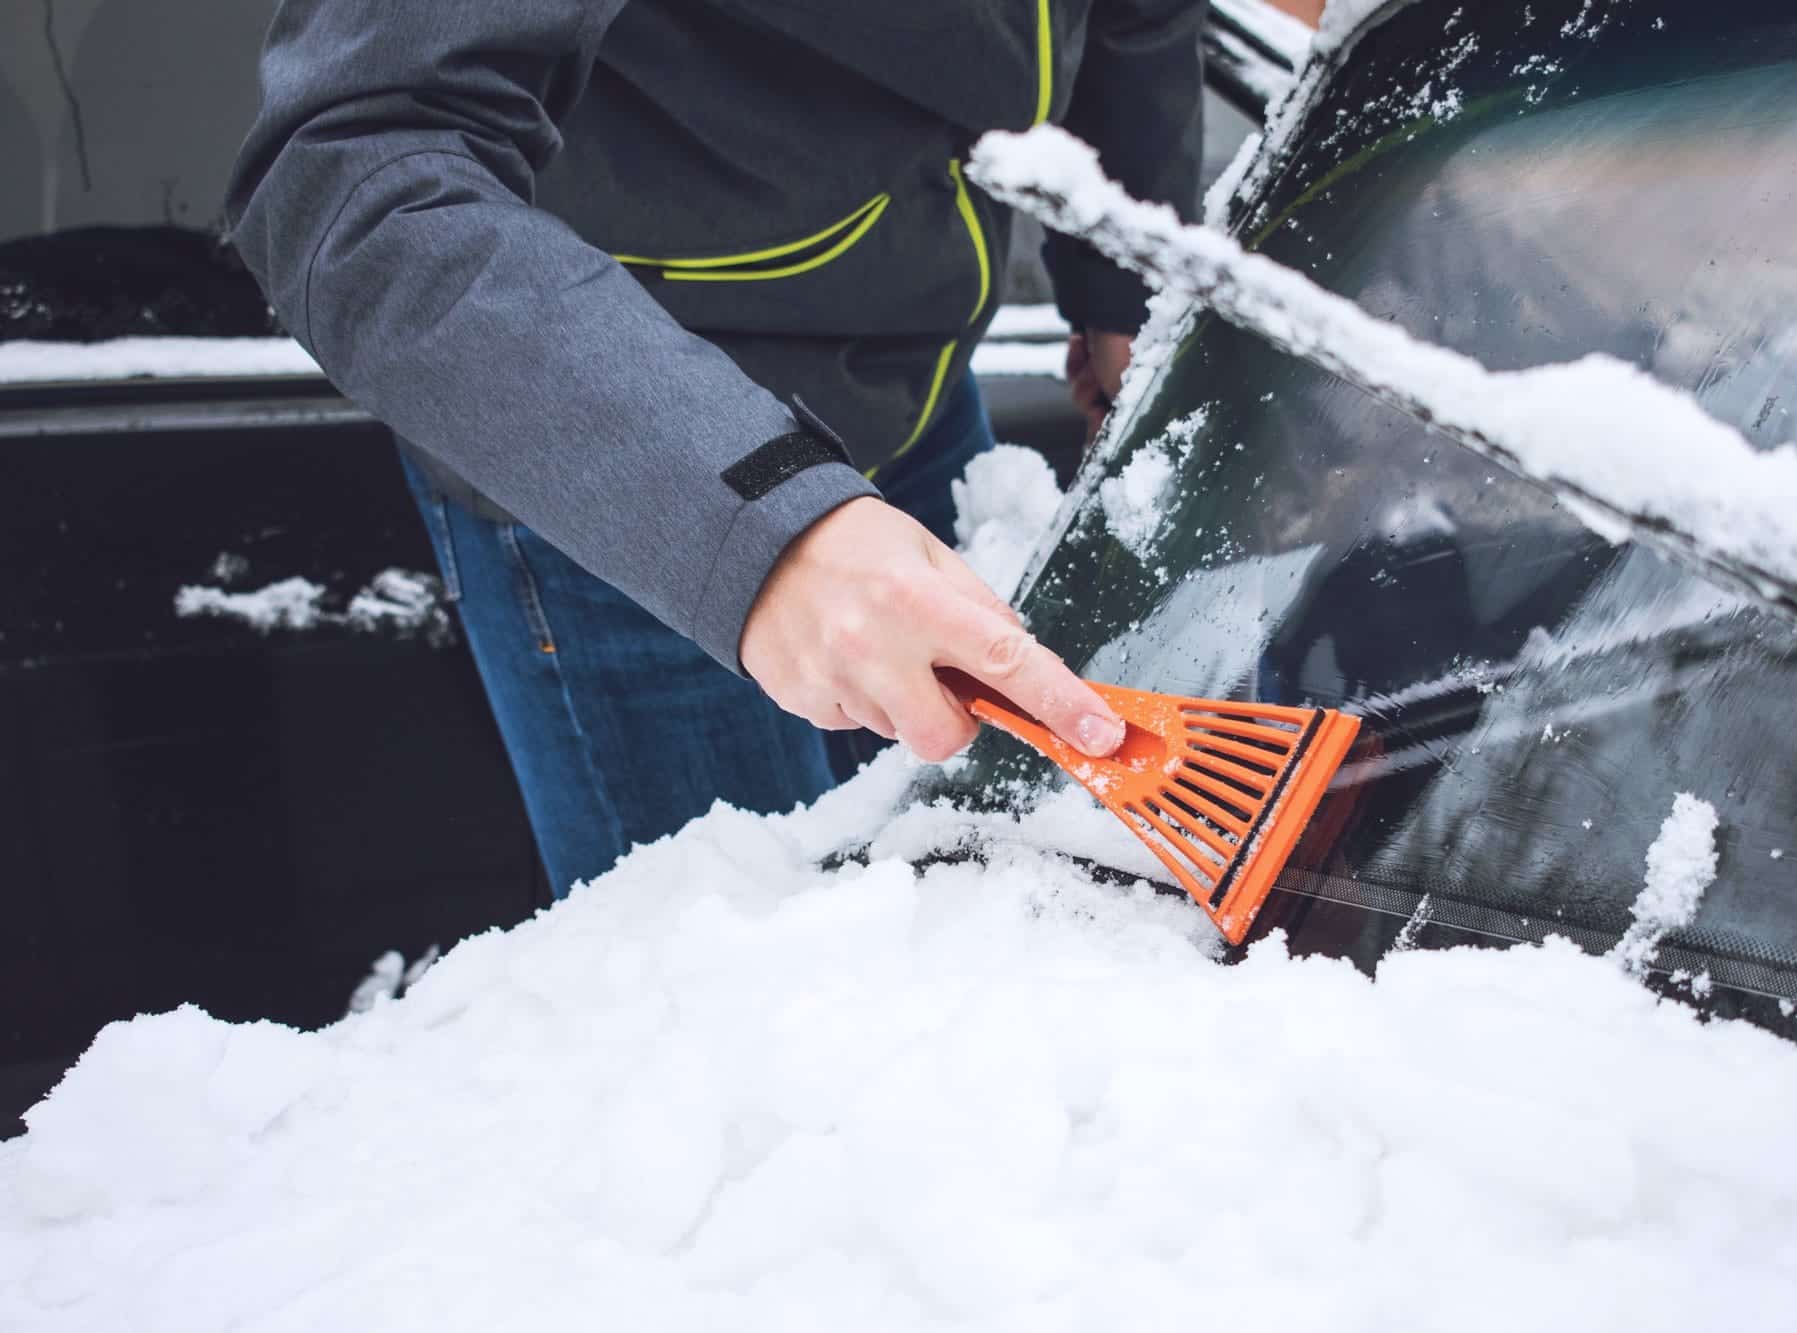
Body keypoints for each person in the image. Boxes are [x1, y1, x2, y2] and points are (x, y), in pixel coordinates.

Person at [227, 0, 1203, 895]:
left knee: (947, 944)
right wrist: (757, 520)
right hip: (637, 454)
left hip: (915, 393)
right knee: (757, 1011)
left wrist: (1126, 285)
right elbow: (353, 168)